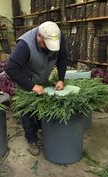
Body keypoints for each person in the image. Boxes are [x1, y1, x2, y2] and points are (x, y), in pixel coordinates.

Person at [5, 21, 67, 156]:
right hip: (26, 81)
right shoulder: (24, 45)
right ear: (39, 36)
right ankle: (31, 139)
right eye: (46, 45)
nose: (49, 49)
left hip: (42, 79)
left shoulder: (57, 36)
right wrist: (31, 86)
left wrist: (61, 79)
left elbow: (62, 58)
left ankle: (42, 130)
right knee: (27, 111)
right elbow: (10, 69)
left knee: (41, 109)